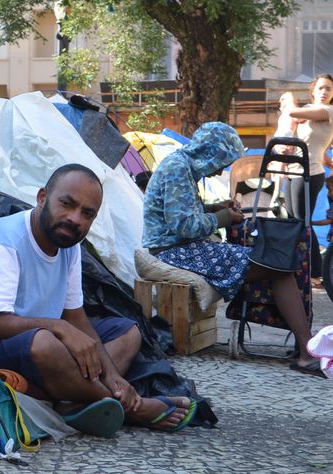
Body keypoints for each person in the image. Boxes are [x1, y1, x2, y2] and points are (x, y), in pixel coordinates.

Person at [0, 164, 196, 437]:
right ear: (43, 198)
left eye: (87, 214)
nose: (75, 218)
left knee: (128, 332)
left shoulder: (69, 246)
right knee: (45, 343)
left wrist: (112, 374)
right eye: (67, 204)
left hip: (41, 342)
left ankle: (78, 400)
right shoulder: (4, 242)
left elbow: (74, 316)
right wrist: (61, 329)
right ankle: (129, 408)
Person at [143, 122, 318, 375]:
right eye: (223, 161)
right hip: (172, 252)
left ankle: (305, 347)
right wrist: (224, 217)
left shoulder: (182, 167)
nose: (223, 168)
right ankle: (306, 351)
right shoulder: (178, 169)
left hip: (180, 247)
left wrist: (216, 208)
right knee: (276, 267)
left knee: (274, 264)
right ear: (211, 152)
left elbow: (181, 214)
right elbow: (183, 226)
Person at [285, 75, 333, 224]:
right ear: (313, 91)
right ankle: (297, 248)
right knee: (292, 222)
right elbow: (321, 149)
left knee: (302, 223)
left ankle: (311, 248)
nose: (324, 92)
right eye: (320, 88)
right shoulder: (306, 109)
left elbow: (292, 112)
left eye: (329, 89)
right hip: (290, 171)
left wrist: (289, 97)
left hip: (310, 173)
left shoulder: (329, 111)